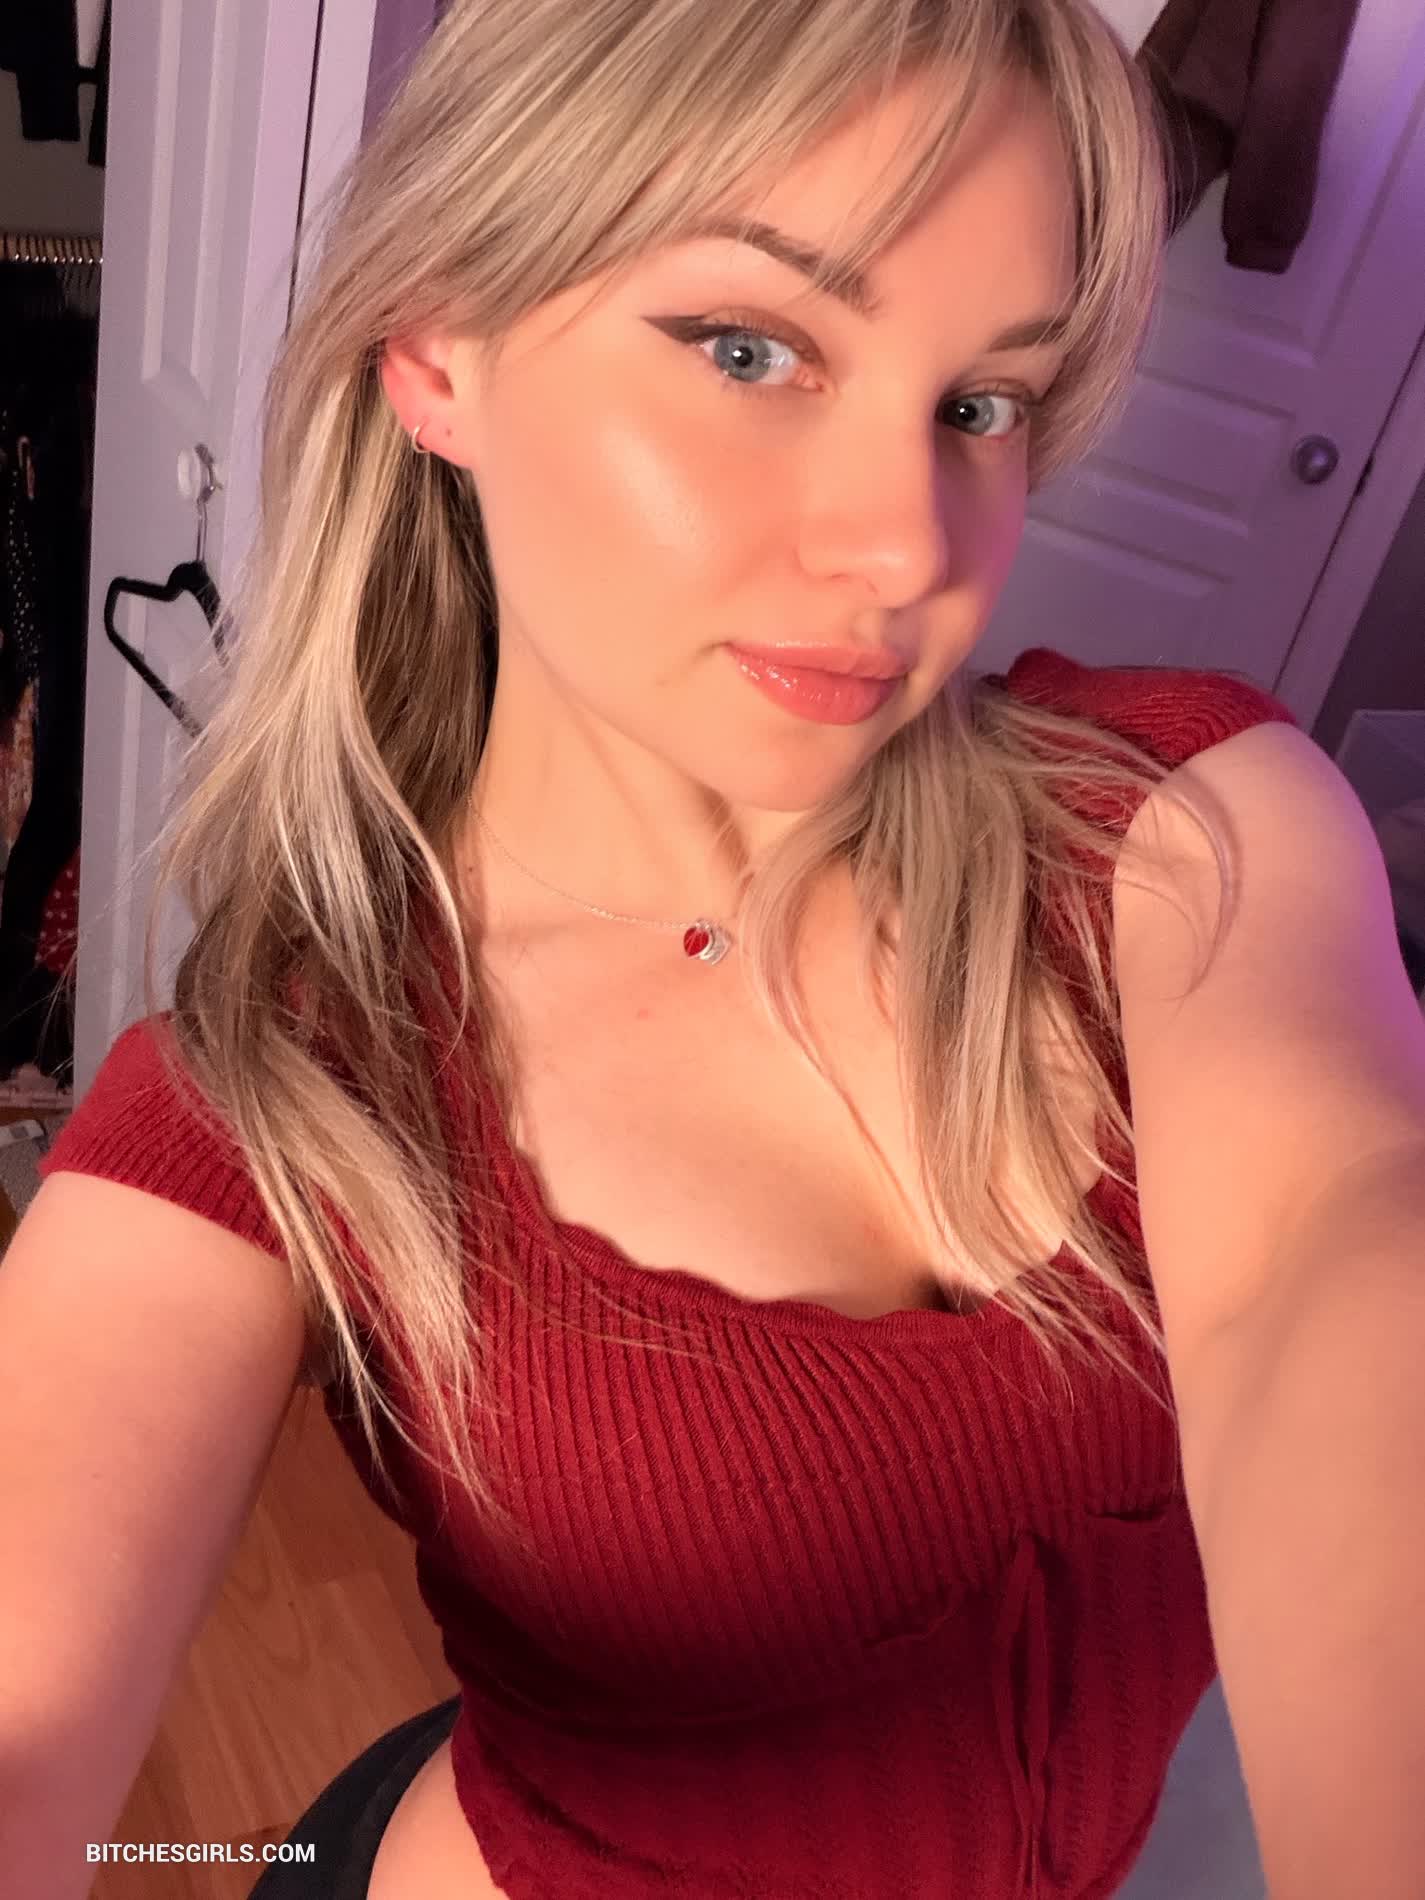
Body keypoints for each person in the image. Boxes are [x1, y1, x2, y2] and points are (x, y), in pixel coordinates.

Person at [1, 0, 1329, 1895]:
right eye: (748, 347)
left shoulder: (1179, 825)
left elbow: (1336, 1279)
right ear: (438, 349)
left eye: (979, 404)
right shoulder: (283, 1104)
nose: (904, 548)